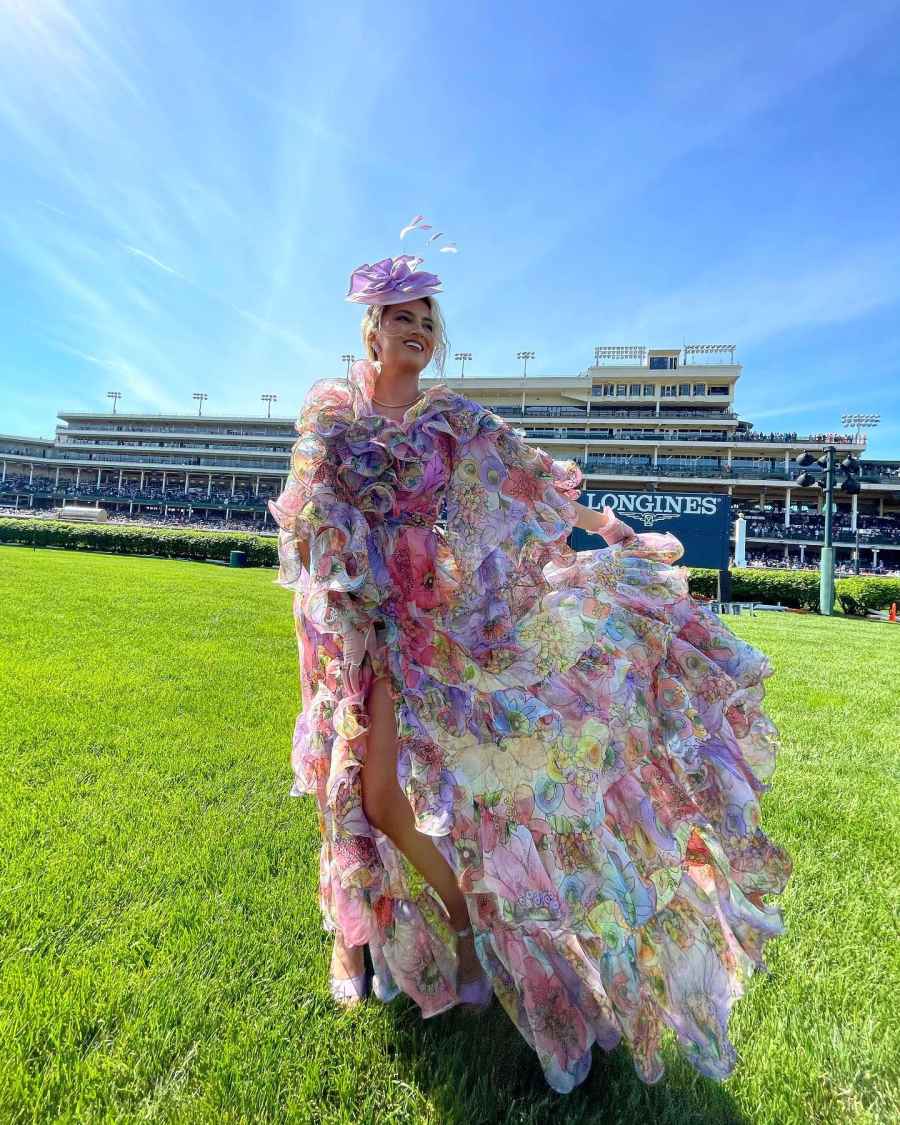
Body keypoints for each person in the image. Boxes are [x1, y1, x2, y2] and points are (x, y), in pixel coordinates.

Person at [267, 252, 792, 1095]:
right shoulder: (331, 407)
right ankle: (395, 929)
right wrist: (343, 582)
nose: (419, 331)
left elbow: (527, 475)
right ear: (369, 326)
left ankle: (471, 921)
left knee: (404, 790)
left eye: (429, 321)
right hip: (357, 615)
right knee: (360, 791)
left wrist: (607, 526)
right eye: (403, 316)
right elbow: (311, 496)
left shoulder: (451, 420)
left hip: (437, 621)